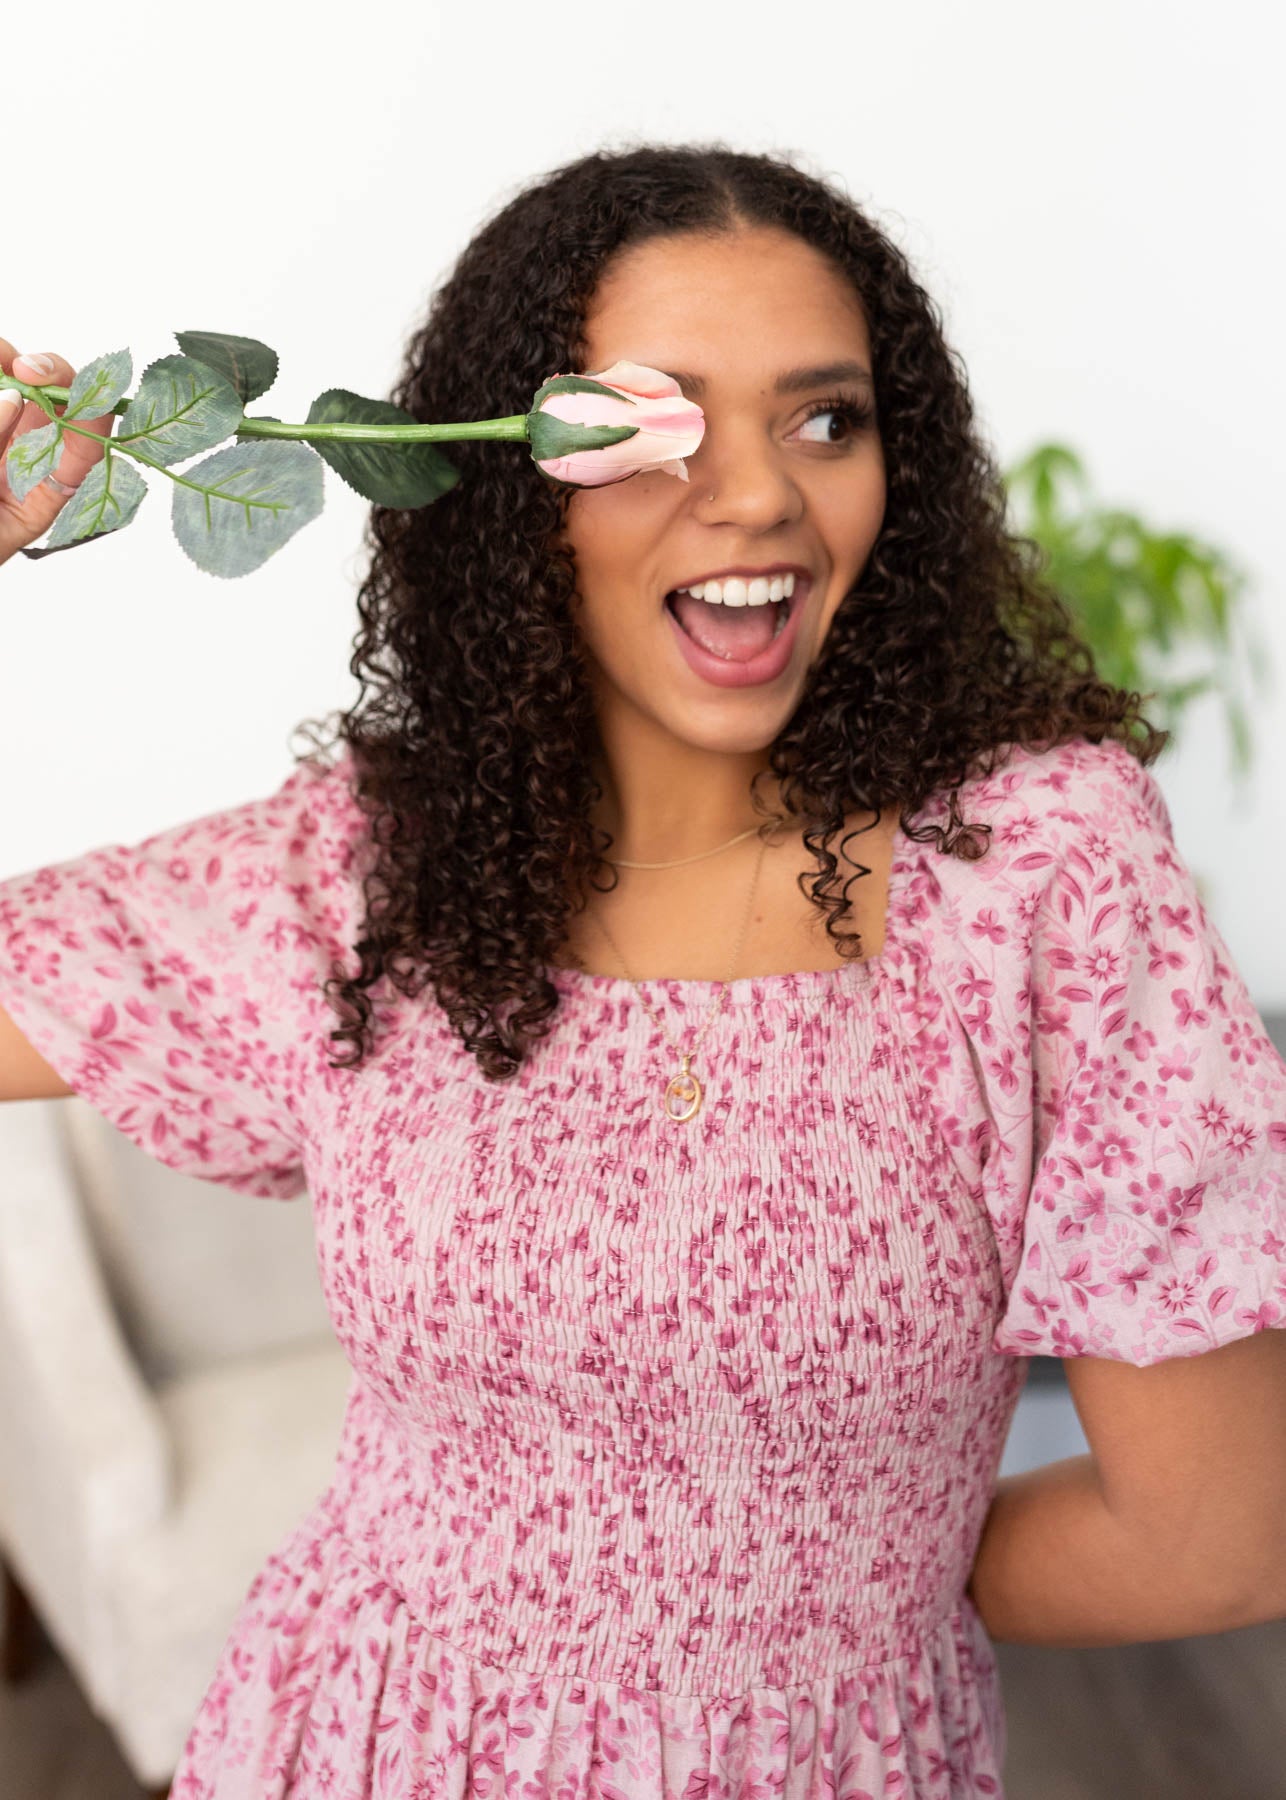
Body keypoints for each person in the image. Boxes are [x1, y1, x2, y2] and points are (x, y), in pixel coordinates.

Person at [1, 142, 1284, 1800]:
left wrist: (830, 1605)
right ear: (505, 487)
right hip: (340, 1745)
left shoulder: (1042, 869)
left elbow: (1217, 1541)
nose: (755, 491)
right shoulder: (359, 870)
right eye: (644, 424)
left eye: (825, 418)